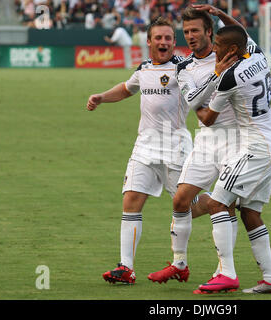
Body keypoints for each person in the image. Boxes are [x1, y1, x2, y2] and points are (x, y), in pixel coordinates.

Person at [190, 24, 271, 294]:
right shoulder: (258, 57)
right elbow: (242, 32)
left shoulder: (229, 77)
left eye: (219, 46)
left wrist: (196, 103)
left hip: (257, 149)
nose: (214, 48)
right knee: (249, 213)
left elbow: (209, 119)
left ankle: (226, 274)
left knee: (216, 203)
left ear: (233, 50)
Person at [87, 17, 194, 285]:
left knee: (190, 205)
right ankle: (126, 268)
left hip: (175, 146)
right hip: (144, 145)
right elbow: (127, 89)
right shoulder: (144, 68)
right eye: (158, 37)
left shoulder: (183, 68)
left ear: (174, 41)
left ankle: (221, 208)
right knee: (131, 199)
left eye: (169, 38)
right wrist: (102, 97)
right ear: (149, 41)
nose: (164, 42)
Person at [147, 5, 241, 285]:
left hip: (235, 138)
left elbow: (243, 37)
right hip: (205, 139)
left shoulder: (230, 55)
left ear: (209, 32)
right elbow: (193, 100)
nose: (189, 36)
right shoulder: (184, 67)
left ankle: (225, 271)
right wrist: (216, 75)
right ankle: (179, 264)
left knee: (225, 204)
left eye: (195, 30)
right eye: (186, 32)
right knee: (180, 200)